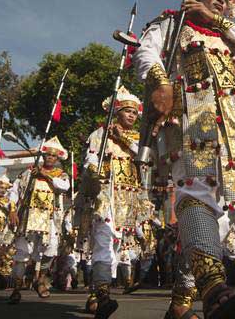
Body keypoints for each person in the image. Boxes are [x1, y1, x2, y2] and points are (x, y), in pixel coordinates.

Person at [132, 0, 235, 319]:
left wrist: (214, 21)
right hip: (193, 118)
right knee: (197, 193)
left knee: (226, 211)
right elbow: (147, 53)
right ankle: (214, 290)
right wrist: (160, 82)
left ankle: (183, 294)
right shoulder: (173, 24)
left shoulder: (230, 35)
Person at [82, 85, 144, 318]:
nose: (132, 115)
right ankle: (104, 295)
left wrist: (123, 140)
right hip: (105, 195)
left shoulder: (138, 138)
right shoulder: (100, 134)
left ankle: (95, 294)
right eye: (127, 111)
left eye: (135, 112)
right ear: (116, 112)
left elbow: (145, 157)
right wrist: (91, 170)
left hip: (128, 199)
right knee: (104, 241)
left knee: (117, 246)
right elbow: (91, 157)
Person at [9, 136, 70, 303]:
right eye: (47, 155)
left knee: (51, 250)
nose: (50, 157)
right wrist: (13, 210)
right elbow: (15, 191)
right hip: (28, 219)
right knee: (23, 253)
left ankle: (40, 280)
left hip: (49, 220)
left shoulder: (61, 175)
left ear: (57, 158)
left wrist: (45, 175)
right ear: (43, 156)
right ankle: (16, 288)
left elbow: (64, 186)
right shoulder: (29, 172)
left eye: (53, 155)